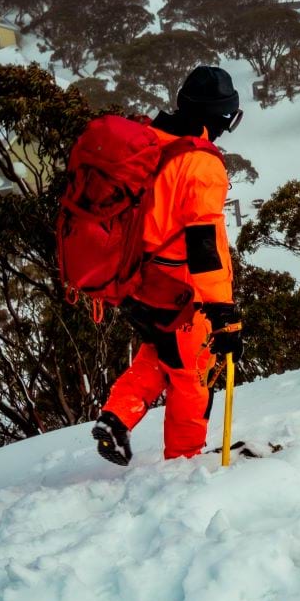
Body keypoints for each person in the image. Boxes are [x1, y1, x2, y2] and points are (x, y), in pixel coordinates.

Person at [92, 66, 244, 465]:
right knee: (192, 376)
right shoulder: (201, 164)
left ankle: (117, 417)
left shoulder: (150, 139)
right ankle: (184, 462)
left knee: (161, 353)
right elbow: (204, 243)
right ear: (222, 118)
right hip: (181, 287)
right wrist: (222, 309)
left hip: (138, 279)